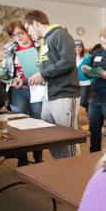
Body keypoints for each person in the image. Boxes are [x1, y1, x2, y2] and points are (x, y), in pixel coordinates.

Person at [24, 10, 81, 159]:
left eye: (28, 28)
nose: (28, 33)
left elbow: (67, 62)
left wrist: (43, 74)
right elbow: (44, 70)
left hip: (65, 94)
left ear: (36, 23)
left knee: (68, 141)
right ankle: (61, 173)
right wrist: (24, 80)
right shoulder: (45, 41)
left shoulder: (59, 34)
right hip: (49, 95)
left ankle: (76, 176)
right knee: (53, 139)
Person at [3, 20, 44, 166]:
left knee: (37, 122)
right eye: (14, 35)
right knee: (19, 124)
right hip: (18, 90)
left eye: (20, 33)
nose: (18, 37)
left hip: (37, 89)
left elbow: (46, 69)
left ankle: (38, 156)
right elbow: (5, 72)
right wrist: (8, 79)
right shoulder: (10, 49)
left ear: (27, 32)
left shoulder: (40, 46)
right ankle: (22, 159)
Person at [75, 40, 91, 112]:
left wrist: (92, 80)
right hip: (74, 83)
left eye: (79, 47)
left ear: (82, 48)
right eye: (76, 47)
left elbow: (93, 70)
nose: (78, 49)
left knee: (83, 102)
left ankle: (89, 108)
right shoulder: (70, 57)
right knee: (76, 102)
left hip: (85, 83)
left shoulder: (88, 57)